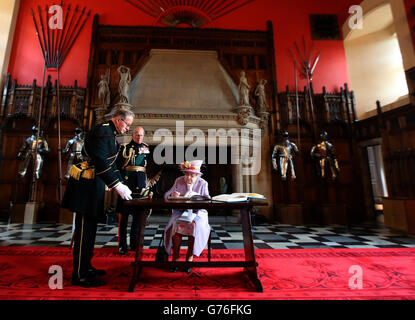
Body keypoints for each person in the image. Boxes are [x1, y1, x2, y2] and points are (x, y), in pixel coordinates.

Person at [61, 108, 134, 287]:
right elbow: (101, 162)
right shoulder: (104, 130)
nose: (127, 129)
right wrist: (117, 186)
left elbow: (111, 165)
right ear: (118, 120)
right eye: (127, 125)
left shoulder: (109, 133)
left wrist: (119, 182)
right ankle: (79, 274)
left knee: (90, 231)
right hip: (86, 187)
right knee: (84, 232)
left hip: (94, 186)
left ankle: (86, 267)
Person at [163, 160, 210, 273]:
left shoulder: (203, 183)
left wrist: (197, 198)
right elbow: (166, 196)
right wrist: (172, 195)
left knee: (193, 226)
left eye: (192, 175)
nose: (189, 177)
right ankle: (176, 257)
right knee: (176, 226)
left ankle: (189, 257)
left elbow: (208, 200)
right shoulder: (178, 181)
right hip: (181, 212)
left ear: (197, 176)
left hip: (198, 212)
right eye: (187, 174)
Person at [116, 126, 150, 255]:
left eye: (141, 135)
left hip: (140, 185)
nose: (139, 137)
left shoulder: (145, 148)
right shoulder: (125, 148)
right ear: (132, 135)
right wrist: (120, 184)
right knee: (123, 218)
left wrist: (145, 185)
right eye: (137, 135)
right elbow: (119, 167)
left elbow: (145, 167)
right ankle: (122, 246)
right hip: (127, 185)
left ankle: (134, 244)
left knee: (137, 218)